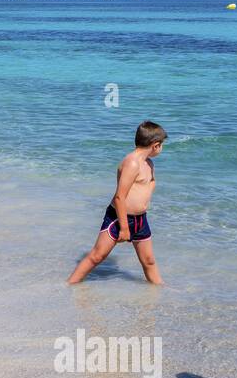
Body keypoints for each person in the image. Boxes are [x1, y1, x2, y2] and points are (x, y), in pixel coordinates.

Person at [68, 121, 166, 284]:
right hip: (119, 218)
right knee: (97, 256)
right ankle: (70, 284)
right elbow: (120, 197)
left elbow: (149, 182)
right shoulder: (132, 163)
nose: (162, 148)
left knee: (148, 260)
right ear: (155, 145)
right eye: (162, 145)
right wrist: (125, 228)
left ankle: (160, 290)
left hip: (140, 219)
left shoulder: (148, 163)